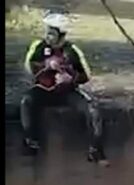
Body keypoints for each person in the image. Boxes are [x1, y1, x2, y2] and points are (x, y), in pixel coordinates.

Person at [21, 10, 105, 163]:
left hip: (67, 92)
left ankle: (95, 150)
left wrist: (71, 78)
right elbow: (29, 68)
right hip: (43, 91)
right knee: (27, 101)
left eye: (51, 33)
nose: (47, 36)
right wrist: (45, 65)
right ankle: (31, 143)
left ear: (61, 35)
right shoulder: (38, 46)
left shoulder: (72, 51)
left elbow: (86, 75)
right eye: (47, 32)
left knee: (92, 109)